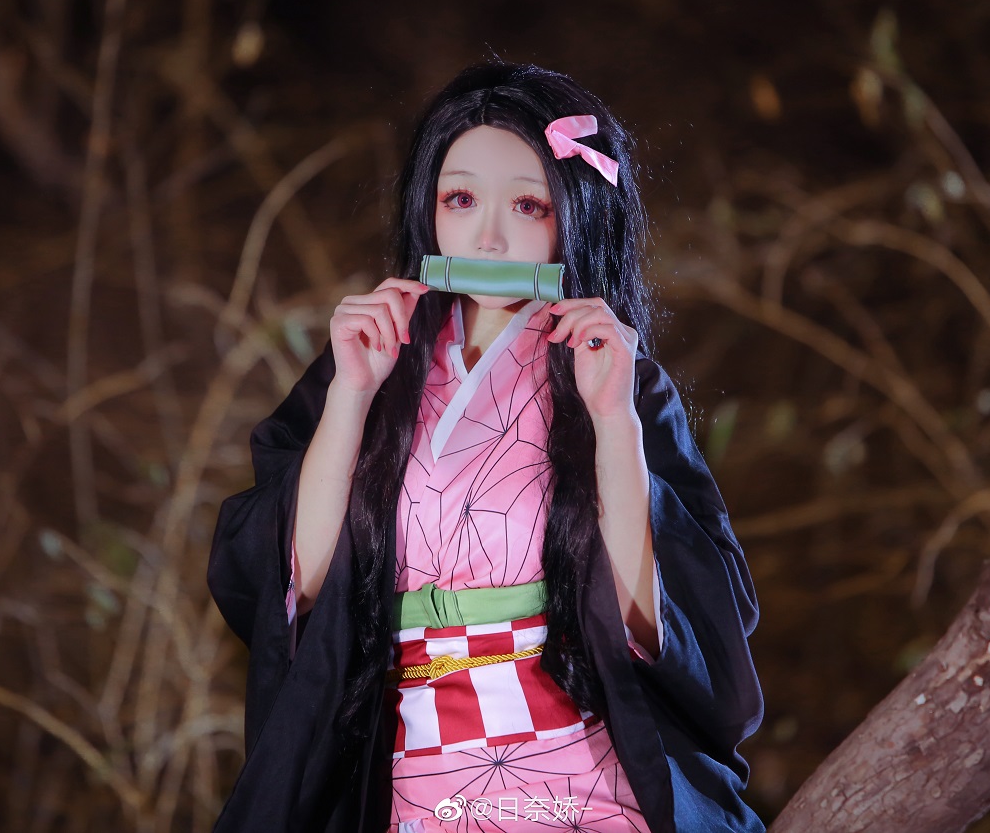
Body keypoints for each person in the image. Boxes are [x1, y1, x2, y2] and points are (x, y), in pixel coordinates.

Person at [208, 62, 764, 833]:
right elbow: (295, 587)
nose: (489, 237)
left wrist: (614, 420)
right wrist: (350, 396)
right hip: (410, 769)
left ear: (574, 215)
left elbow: (659, 620)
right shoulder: (374, 361)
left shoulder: (614, 373)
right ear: (427, 209)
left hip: (576, 763)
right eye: (460, 200)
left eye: (529, 205)